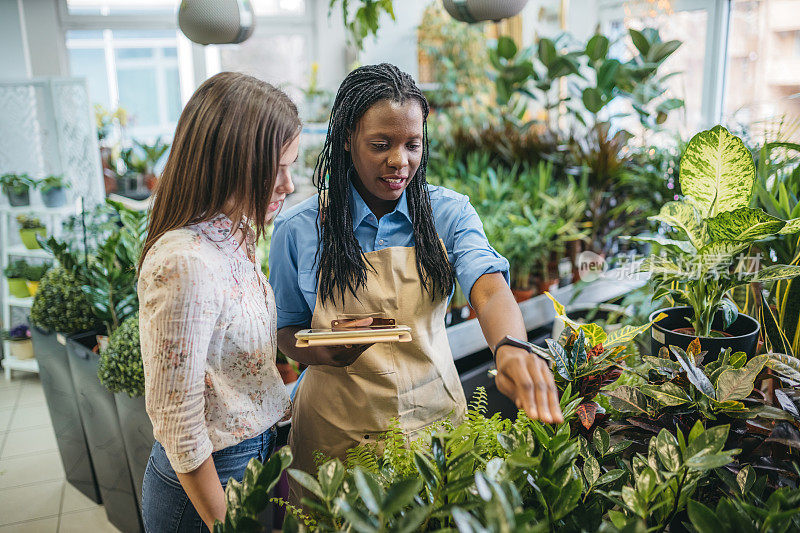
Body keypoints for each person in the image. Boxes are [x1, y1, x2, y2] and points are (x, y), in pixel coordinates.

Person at [268, 63, 563, 502]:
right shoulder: (298, 228)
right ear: (347, 139)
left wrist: (511, 347)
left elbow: (488, 284)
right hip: (335, 436)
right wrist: (323, 351)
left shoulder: (449, 214)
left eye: (412, 144)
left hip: (431, 429)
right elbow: (287, 330)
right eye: (380, 145)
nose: (399, 161)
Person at [137, 71, 300, 532]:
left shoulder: (234, 231)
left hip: (253, 456)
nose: (287, 185)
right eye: (277, 167)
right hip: (210, 480)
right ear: (229, 160)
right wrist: (221, 519)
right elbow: (178, 419)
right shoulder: (186, 263)